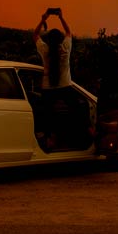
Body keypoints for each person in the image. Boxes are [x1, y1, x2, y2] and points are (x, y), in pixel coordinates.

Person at [33, 8, 73, 150]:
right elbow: (69, 32)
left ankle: (48, 139)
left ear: (48, 40)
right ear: (61, 39)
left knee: (46, 115)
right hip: (65, 88)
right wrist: (61, 17)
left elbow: (35, 35)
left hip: (48, 89)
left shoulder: (45, 50)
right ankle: (87, 130)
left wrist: (44, 19)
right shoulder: (66, 49)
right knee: (79, 108)